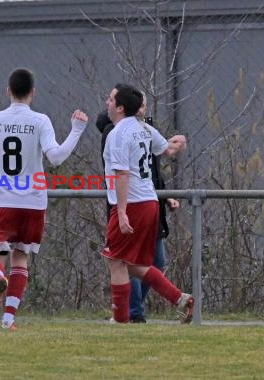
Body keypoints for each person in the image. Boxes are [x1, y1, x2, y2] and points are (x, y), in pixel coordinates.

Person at [0, 67, 89, 330]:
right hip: (34, 203)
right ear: (33, 93)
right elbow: (56, 157)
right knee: (21, 258)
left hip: (4, 200)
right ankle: (9, 318)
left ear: (8, 91)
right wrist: (77, 130)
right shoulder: (40, 121)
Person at [101, 83, 194, 324]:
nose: (107, 103)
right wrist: (178, 143)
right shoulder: (143, 129)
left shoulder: (118, 134)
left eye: (111, 100)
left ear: (120, 108)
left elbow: (122, 175)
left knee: (115, 259)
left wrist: (120, 212)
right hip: (149, 202)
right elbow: (166, 151)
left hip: (131, 204)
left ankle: (120, 319)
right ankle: (179, 298)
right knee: (132, 264)